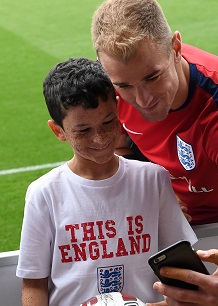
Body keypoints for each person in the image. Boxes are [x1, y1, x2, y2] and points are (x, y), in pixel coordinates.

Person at [91, 0, 218, 305]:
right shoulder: (111, 91)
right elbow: (120, 149)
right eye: (124, 86)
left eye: (152, 78)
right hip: (160, 236)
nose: (141, 100)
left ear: (175, 47)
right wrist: (155, 193)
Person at [16, 57, 198, 306]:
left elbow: (181, 271)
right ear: (58, 130)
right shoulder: (43, 193)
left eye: (108, 122)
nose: (100, 138)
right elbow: (34, 283)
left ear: (119, 109)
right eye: (83, 130)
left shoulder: (153, 180)